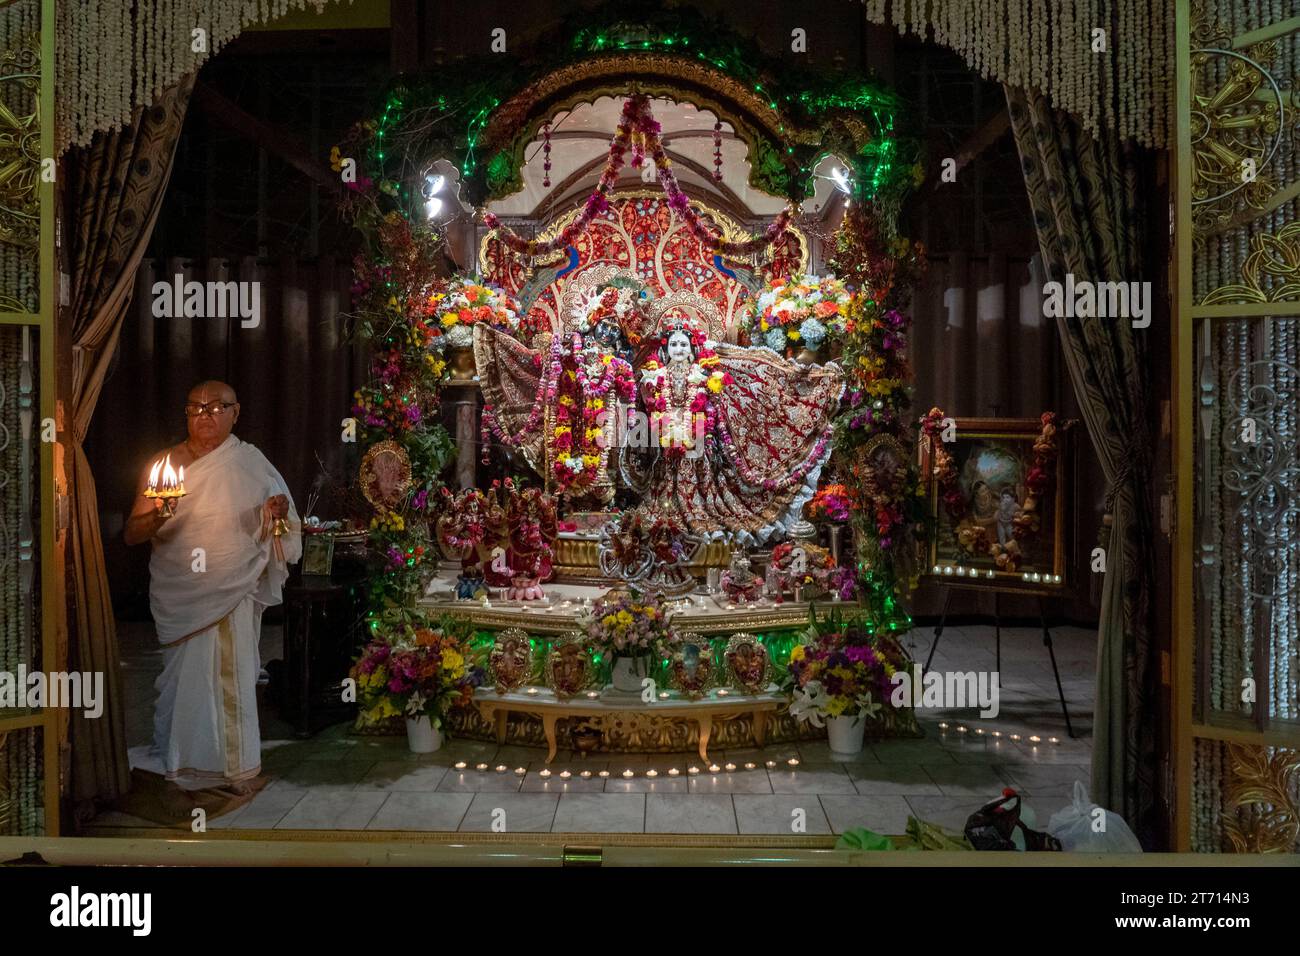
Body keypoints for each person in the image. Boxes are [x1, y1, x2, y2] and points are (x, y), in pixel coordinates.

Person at [125, 381, 301, 794]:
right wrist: (160, 514)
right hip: (181, 592)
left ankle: (237, 772)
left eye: (215, 407)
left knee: (231, 678)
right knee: (183, 682)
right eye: (195, 408)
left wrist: (275, 514)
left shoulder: (250, 463)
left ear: (235, 413)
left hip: (231, 589)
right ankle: (180, 764)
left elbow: (282, 527)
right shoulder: (164, 464)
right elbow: (132, 533)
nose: (204, 415)